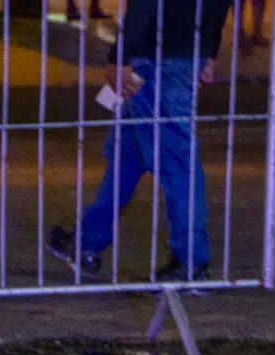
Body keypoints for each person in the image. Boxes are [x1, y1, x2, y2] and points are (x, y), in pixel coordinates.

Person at [47, 0, 231, 283]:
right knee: (126, 156)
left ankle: (191, 261)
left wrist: (120, 55)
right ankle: (87, 243)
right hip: (185, 49)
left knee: (177, 162)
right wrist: (209, 49)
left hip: (155, 55)